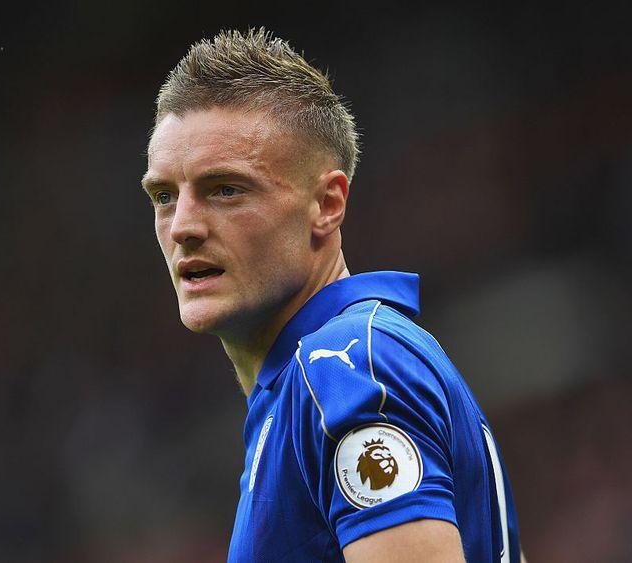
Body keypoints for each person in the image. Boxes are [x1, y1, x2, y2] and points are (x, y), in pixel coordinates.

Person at [142, 28, 523, 562]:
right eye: (164, 196)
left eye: (225, 189)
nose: (183, 226)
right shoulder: (309, 385)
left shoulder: (349, 368)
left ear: (327, 204)